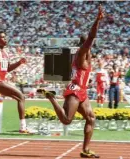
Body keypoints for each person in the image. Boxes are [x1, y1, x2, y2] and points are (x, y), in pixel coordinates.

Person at [40, 5, 104, 158]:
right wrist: (97, 21)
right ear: (85, 44)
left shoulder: (86, 56)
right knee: (67, 120)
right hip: (75, 90)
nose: (91, 46)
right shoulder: (82, 53)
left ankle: (85, 150)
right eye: (89, 44)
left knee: (91, 118)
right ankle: (51, 97)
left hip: (82, 91)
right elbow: (91, 37)